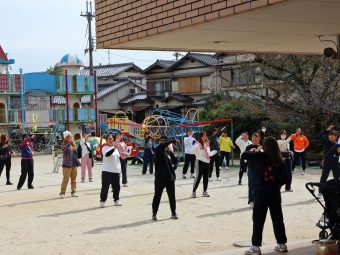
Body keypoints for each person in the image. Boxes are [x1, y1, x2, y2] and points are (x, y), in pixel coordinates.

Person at [242, 137, 288, 255]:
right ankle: (282, 244)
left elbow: (244, 155)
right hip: (275, 192)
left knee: (258, 219)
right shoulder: (280, 160)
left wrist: (256, 149)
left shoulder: (261, 156)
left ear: (265, 146)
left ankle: (256, 247)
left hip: (261, 191)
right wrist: (277, 184)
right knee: (277, 218)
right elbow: (285, 178)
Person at [152, 136, 178, 221]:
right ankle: (154, 214)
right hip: (160, 178)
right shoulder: (158, 149)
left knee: (172, 196)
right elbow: (163, 145)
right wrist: (172, 140)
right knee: (157, 196)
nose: (163, 142)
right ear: (159, 141)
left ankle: (173, 213)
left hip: (170, 178)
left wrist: (174, 167)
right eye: (162, 141)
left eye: (165, 141)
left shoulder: (169, 152)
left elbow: (175, 161)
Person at [192, 132, 217, 198]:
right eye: (202, 136)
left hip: (207, 162)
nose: (204, 137)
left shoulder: (207, 144)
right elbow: (192, 151)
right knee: (198, 177)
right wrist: (198, 146)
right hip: (200, 161)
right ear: (200, 137)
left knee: (206, 178)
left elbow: (208, 153)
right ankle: (193, 192)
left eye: (205, 136)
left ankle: (205, 191)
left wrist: (214, 152)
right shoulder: (197, 143)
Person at [318, 124, 340, 198]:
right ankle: (320, 192)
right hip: (327, 163)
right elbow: (320, 135)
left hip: (335, 164)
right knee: (324, 177)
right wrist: (327, 130)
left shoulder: (337, 145)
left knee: (337, 178)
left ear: (336, 137)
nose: (332, 136)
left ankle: (336, 192)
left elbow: (338, 154)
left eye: (333, 135)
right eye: (330, 134)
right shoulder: (326, 142)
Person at [100, 134, 122, 207]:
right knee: (105, 187)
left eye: (112, 139)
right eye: (109, 139)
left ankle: (116, 200)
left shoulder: (115, 149)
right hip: (107, 171)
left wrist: (124, 156)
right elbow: (107, 154)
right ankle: (102, 201)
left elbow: (119, 158)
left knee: (116, 187)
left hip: (116, 170)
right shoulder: (104, 148)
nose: (111, 140)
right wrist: (114, 148)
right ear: (106, 141)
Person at [60, 131, 79, 198]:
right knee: (66, 179)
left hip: (73, 164)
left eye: (70, 136)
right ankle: (62, 193)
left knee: (73, 179)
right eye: (68, 137)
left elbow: (76, 153)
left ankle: (73, 192)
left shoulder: (73, 144)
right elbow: (64, 149)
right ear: (65, 138)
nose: (70, 137)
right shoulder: (63, 144)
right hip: (66, 165)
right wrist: (69, 143)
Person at [245, 132, 262, 208]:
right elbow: (245, 156)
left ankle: (259, 201)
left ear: (259, 138)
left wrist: (260, 150)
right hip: (251, 168)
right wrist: (251, 151)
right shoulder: (249, 147)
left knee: (260, 185)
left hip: (261, 169)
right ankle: (251, 201)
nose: (254, 139)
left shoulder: (262, 147)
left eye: (256, 137)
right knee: (251, 184)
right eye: (253, 137)